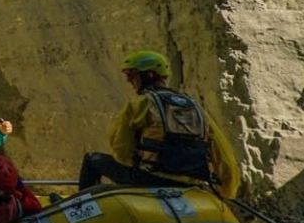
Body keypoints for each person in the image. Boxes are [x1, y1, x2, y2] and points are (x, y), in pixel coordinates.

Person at [78, 49, 241, 198]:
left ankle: (79, 211)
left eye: (132, 75)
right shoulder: (196, 109)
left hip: (149, 179)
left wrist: (136, 165)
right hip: (192, 182)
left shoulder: (139, 104)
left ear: (148, 75)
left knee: (92, 159)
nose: (129, 80)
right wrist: (227, 191)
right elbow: (223, 154)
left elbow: (120, 148)